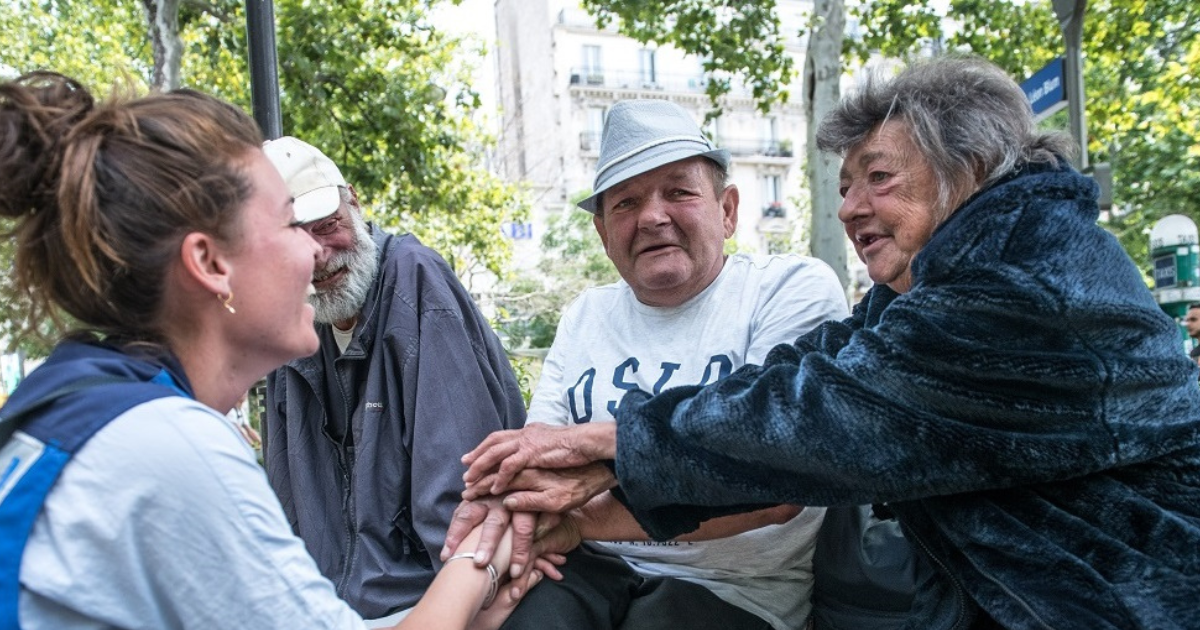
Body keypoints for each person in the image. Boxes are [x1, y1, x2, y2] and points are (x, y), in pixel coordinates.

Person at [455, 56, 1200, 629]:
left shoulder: (1028, 279)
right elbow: (802, 372)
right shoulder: (926, 287)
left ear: (966, 169)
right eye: (845, 187)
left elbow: (823, 418)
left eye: (878, 178)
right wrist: (561, 485)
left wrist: (603, 448)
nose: (849, 208)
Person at [0, 70, 552, 629]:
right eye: (290, 225)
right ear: (210, 264)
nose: (313, 255)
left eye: (321, 225)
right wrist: (481, 563)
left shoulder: (81, 402)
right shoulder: (170, 447)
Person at [485, 99, 848, 630]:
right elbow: (542, 462)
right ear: (603, 234)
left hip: (734, 590)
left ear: (727, 210)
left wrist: (585, 516)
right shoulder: (585, 314)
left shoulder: (789, 288)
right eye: (626, 202)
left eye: (679, 192)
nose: (652, 217)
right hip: (585, 569)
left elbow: (777, 484)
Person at [259, 136, 527, 622]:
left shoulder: (415, 280)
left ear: (354, 202)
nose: (318, 254)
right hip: (328, 608)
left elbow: (463, 494)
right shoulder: (290, 317)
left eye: (328, 226)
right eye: (295, 238)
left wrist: (462, 610)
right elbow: (285, 494)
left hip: (427, 602)